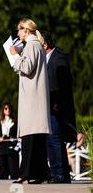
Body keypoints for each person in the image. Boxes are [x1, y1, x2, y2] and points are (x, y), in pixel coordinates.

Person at [10, 18, 51, 184]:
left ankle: (25, 173)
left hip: (33, 99)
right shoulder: (35, 45)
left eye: (19, 30)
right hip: (34, 98)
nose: (17, 33)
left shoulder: (32, 45)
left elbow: (27, 67)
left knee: (30, 139)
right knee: (36, 140)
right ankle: (38, 173)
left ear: (26, 30)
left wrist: (15, 55)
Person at [41, 31, 76, 184]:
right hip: (49, 105)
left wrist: (58, 103)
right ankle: (62, 174)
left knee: (54, 140)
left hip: (56, 107)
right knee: (54, 140)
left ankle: (58, 174)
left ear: (45, 44)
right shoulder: (48, 58)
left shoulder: (58, 58)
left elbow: (64, 83)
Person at [0, 102, 19, 180]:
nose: (8, 110)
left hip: (11, 147)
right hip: (2, 147)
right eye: (6, 108)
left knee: (13, 170)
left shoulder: (15, 121)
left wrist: (14, 138)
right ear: (3, 110)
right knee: (3, 171)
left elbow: (17, 133)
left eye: (9, 108)